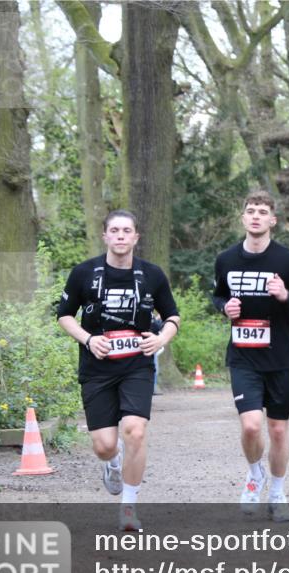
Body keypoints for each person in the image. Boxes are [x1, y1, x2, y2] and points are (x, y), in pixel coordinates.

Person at [57, 210, 180, 530]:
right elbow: (64, 315)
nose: (121, 235)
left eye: (127, 230)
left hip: (137, 365)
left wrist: (161, 338)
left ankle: (129, 506)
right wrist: (88, 339)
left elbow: (172, 316)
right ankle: (112, 463)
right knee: (105, 445)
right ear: (106, 236)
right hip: (96, 369)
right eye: (115, 230)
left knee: (135, 432)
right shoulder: (84, 273)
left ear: (136, 237)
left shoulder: (152, 275)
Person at [212, 190, 289, 522]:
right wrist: (223, 307)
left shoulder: (287, 261)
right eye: (250, 211)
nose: (255, 216)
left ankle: (277, 492)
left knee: (278, 431)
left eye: (262, 212)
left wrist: (286, 295)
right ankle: (255, 473)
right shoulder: (226, 260)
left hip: (282, 358)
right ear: (243, 218)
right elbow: (218, 296)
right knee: (251, 426)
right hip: (243, 356)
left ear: (272, 220)